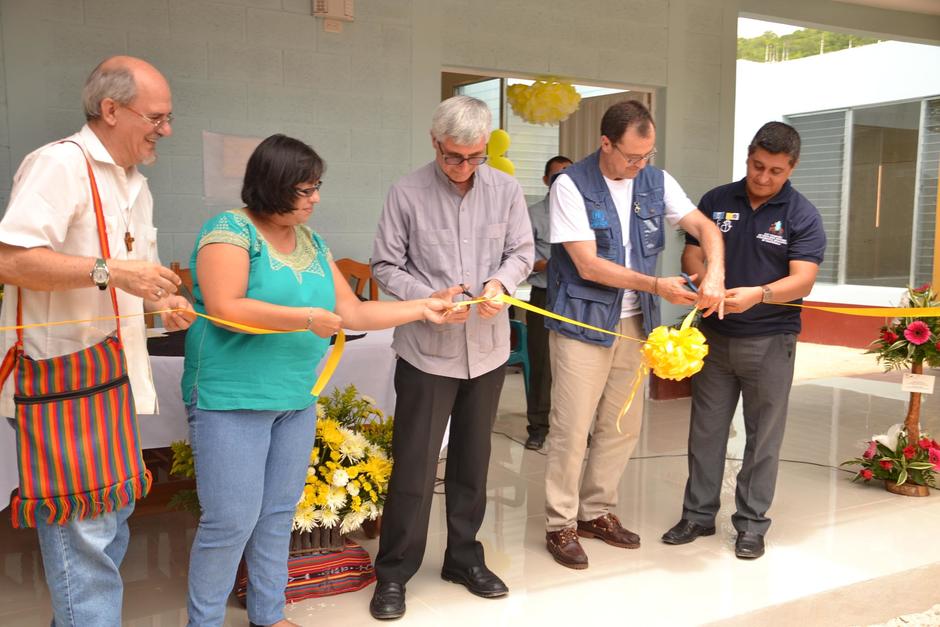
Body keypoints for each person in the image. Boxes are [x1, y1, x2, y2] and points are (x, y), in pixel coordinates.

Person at [181, 134, 451, 626]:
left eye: (316, 187)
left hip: (295, 399)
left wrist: (424, 308)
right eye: (305, 190)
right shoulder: (229, 230)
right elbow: (224, 306)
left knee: (279, 514)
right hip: (231, 398)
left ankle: (269, 614)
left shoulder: (313, 241)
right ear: (272, 187)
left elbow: (353, 311)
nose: (316, 199)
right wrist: (306, 318)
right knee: (229, 522)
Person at [0, 56, 193, 626]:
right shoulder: (58, 164)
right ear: (110, 110)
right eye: (156, 117)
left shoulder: (137, 184)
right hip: (60, 377)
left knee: (110, 519)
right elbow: (12, 259)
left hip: (113, 376)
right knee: (83, 533)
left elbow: (138, 275)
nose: (166, 129)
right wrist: (112, 272)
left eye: (169, 117)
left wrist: (163, 300)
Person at [368, 95, 534, 620]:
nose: (464, 169)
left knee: (473, 462)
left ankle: (463, 558)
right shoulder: (406, 192)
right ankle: (393, 573)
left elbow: (523, 253)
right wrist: (428, 299)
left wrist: (497, 282)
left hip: (486, 351)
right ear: (435, 144)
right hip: (426, 352)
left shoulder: (506, 190)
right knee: (415, 467)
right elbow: (385, 264)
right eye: (453, 157)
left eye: (475, 157)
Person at [543, 99, 725, 570]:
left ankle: (596, 511)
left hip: (635, 323)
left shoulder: (655, 180)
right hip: (582, 322)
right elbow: (587, 263)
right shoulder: (571, 185)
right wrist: (656, 284)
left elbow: (704, 227)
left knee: (622, 424)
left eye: (648, 155)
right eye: (631, 157)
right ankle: (560, 524)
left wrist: (715, 273)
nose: (640, 165)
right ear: (605, 143)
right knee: (571, 427)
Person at [661, 121, 826, 559]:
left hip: (771, 341)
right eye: (758, 166)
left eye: (776, 171)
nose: (764, 177)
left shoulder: (802, 214)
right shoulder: (717, 201)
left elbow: (804, 279)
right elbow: (692, 250)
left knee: (763, 437)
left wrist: (761, 295)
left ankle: (752, 524)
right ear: (748, 155)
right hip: (714, 338)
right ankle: (697, 515)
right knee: (705, 431)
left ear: (791, 168)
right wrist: (702, 276)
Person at [523, 155, 572, 451]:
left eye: (569, 175)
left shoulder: (585, 211)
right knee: (543, 365)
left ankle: (573, 426)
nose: (563, 181)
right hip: (544, 295)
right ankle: (538, 427)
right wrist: (550, 265)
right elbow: (521, 258)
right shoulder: (532, 214)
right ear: (545, 181)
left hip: (577, 298)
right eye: (556, 176)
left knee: (576, 365)